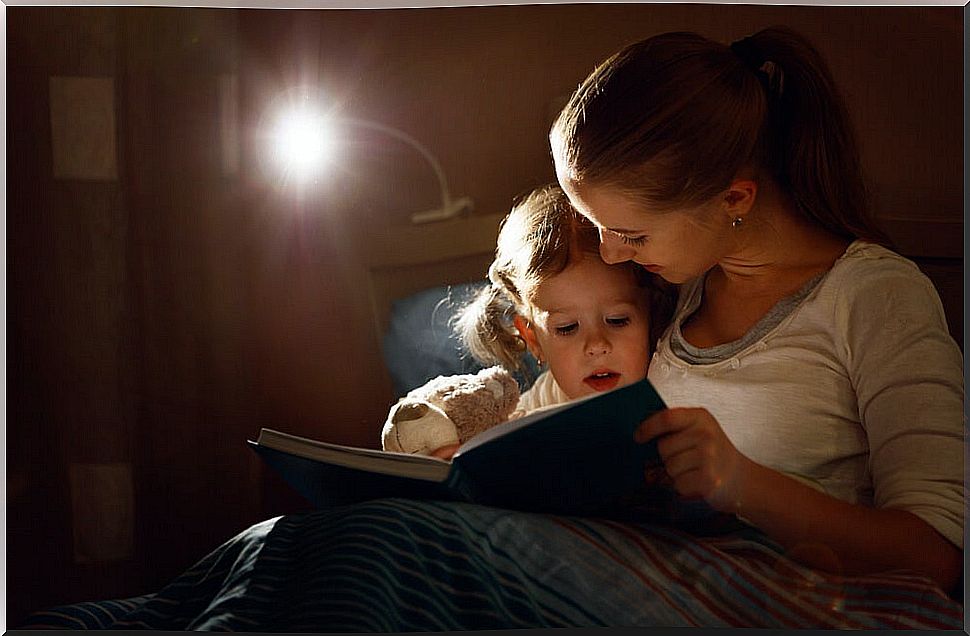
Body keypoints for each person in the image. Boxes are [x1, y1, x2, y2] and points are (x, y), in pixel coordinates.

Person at [549, 26, 964, 592]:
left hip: (794, 597)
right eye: (598, 227)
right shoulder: (677, 287)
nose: (611, 253)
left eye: (632, 235)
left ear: (734, 199)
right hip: (658, 576)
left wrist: (744, 485)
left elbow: (936, 557)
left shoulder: (874, 297)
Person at [455, 184, 674, 415]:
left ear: (652, 314)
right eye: (567, 328)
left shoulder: (673, 385)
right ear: (533, 340)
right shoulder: (540, 401)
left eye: (617, 320)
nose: (596, 346)